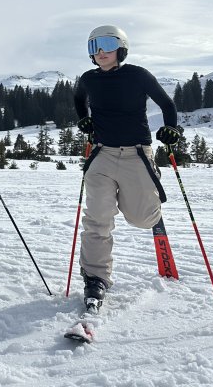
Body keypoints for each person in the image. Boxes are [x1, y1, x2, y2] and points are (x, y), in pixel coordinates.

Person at [73, 25, 182, 311]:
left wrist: (171, 129)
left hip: (137, 154)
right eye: (93, 46)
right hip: (102, 155)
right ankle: (95, 279)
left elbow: (166, 104)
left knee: (142, 219)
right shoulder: (88, 79)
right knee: (97, 219)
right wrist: (84, 119)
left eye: (107, 44)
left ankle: (146, 203)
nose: (100, 52)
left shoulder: (138, 75)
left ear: (121, 47)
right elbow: (77, 100)